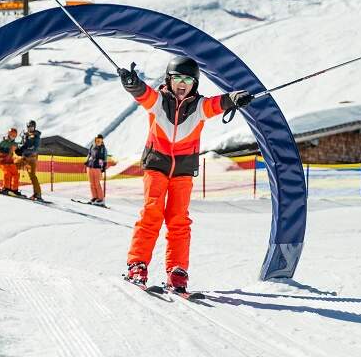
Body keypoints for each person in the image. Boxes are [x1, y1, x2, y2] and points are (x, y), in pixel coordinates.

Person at [117, 56, 254, 291]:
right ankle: (137, 265)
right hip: (156, 164)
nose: (182, 83)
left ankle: (177, 271)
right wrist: (132, 83)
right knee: (152, 212)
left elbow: (218, 103)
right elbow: (142, 93)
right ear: (169, 80)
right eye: (178, 78)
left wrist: (234, 98)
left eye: (188, 80)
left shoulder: (199, 107)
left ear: (194, 84)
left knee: (179, 219)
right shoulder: (158, 101)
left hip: (183, 169)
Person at [17, 119, 44, 201]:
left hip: (32, 158)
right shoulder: (26, 135)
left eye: (32, 126)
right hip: (25, 157)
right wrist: (19, 149)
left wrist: (23, 151)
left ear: (34, 127)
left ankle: (38, 194)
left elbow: (34, 149)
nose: (30, 128)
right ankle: (12, 187)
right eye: (29, 126)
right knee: (14, 168)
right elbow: (23, 145)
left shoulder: (36, 136)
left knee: (32, 175)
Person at [0, 127, 21, 195]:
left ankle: (14, 189)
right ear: (8, 134)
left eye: (14, 136)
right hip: (3, 162)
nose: (12, 137)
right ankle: (6, 188)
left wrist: (22, 151)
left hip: (10, 162)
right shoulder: (4, 142)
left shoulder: (14, 143)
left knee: (16, 174)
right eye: (11, 135)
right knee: (7, 173)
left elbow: (18, 152)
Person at [85, 134, 109, 204]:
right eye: (97, 140)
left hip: (97, 167)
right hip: (90, 166)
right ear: (95, 140)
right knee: (91, 183)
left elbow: (105, 158)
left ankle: (100, 198)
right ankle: (94, 197)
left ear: (102, 141)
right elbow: (89, 154)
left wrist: (104, 166)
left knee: (97, 183)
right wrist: (86, 161)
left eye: (100, 141)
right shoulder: (92, 146)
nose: (99, 142)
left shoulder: (103, 149)